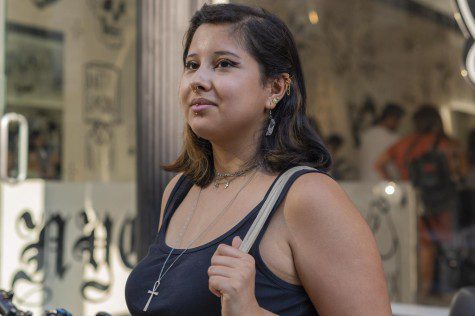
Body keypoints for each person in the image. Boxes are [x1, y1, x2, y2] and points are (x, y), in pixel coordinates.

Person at [125, 4, 391, 315]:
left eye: (224, 64)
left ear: (275, 88)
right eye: (191, 65)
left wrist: (251, 310)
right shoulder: (180, 190)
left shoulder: (307, 197)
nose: (198, 80)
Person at [376, 105, 467, 296]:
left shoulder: (404, 144)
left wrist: (398, 184)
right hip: (442, 203)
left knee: (417, 246)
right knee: (445, 248)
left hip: (412, 202)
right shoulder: (448, 144)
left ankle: (417, 293)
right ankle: (442, 294)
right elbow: (463, 172)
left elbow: (379, 164)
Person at [358, 102, 405, 181]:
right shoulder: (394, 138)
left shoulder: (366, 135)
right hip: (386, 185)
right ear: (391, 118)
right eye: (398, 121)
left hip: (365, 182)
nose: (398, 124)